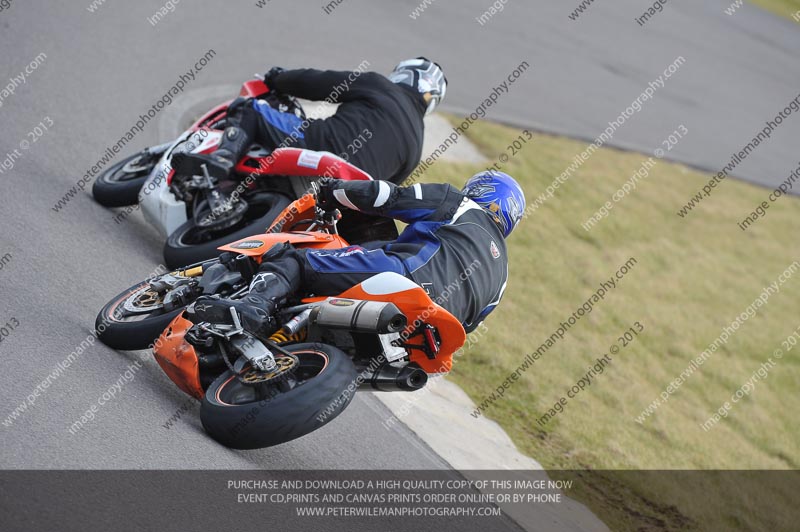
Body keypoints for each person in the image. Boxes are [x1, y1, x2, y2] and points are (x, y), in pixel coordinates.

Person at [192, 170, 526, 335]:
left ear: (481, 190)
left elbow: (388, 198)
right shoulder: (504, 275)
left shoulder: (458, 203)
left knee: (294, 258)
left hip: (402, 278)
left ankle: (253, 307)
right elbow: (470, 326)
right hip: (430, 332)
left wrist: (333, 193)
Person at [172, 57, 447, 185]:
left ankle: (223, 157)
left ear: (405, 75)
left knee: (250, 109)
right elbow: (390, 189)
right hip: (347, 192)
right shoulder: (417, 146)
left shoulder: (381, 86)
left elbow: (317, 83)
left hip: (318, 145)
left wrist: (277, 78)